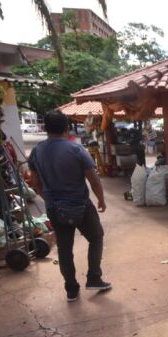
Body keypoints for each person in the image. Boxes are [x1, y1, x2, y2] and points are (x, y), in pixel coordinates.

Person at [29, 110, 111, 302]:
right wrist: (101, 200)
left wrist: (48, 198)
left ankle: (71, 290)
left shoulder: (36, 151)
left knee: (65, 249)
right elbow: (94, 179)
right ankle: (94, 278)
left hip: (55, 208)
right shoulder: (76, 149)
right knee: (96, 237)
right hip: (80, 205)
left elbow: (35, 183)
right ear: (67, 128)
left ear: (45, 129)